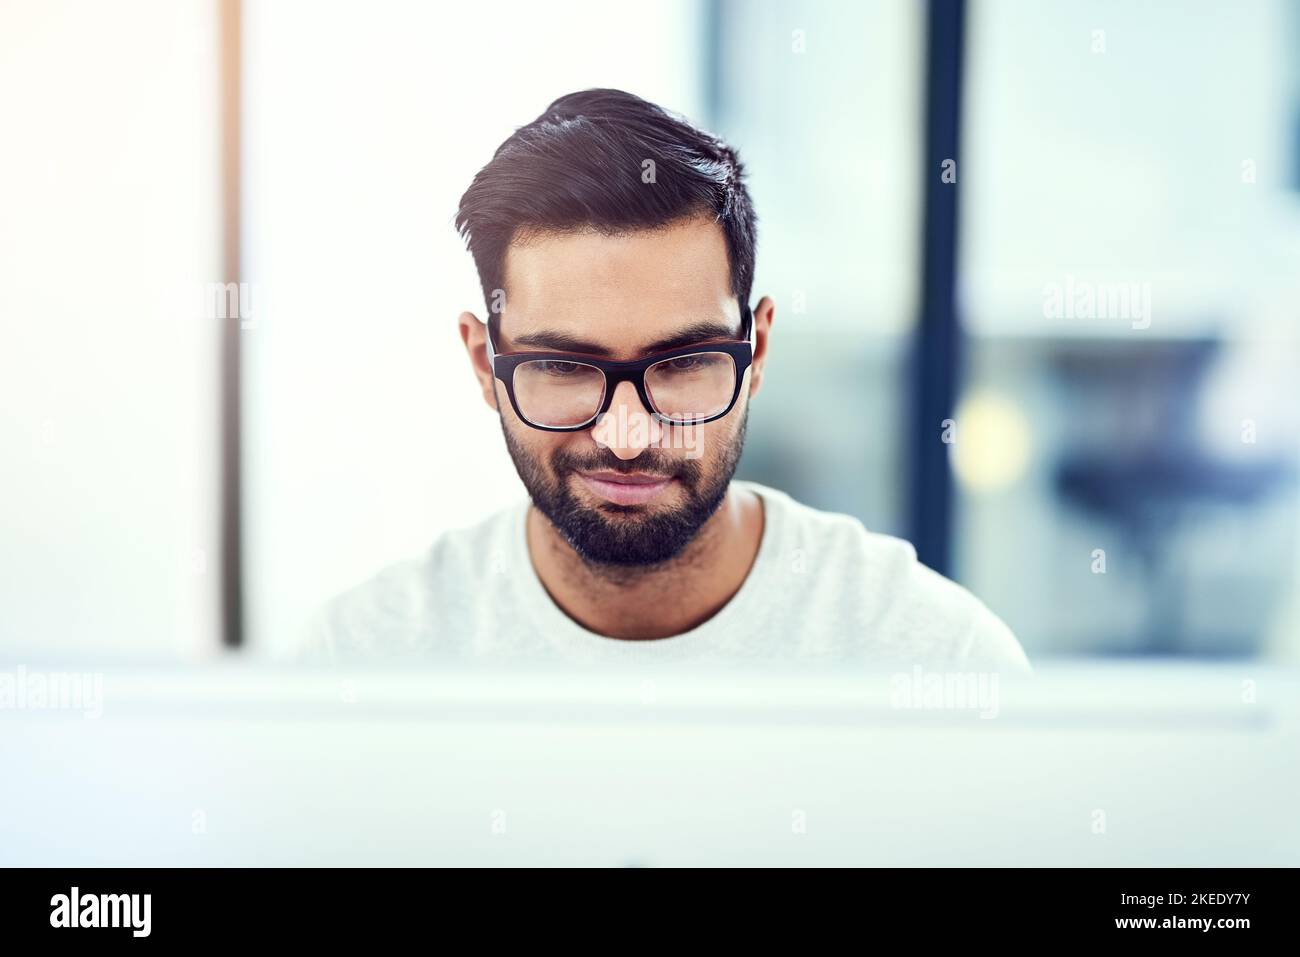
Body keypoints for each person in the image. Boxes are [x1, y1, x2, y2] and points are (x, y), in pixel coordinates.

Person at [299, 88, 1029, 670]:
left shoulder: (938, 658)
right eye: (562, 365)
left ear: (759, 348)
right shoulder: (363, 664)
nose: (627, 437)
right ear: (484, 363)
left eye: (680, 363)